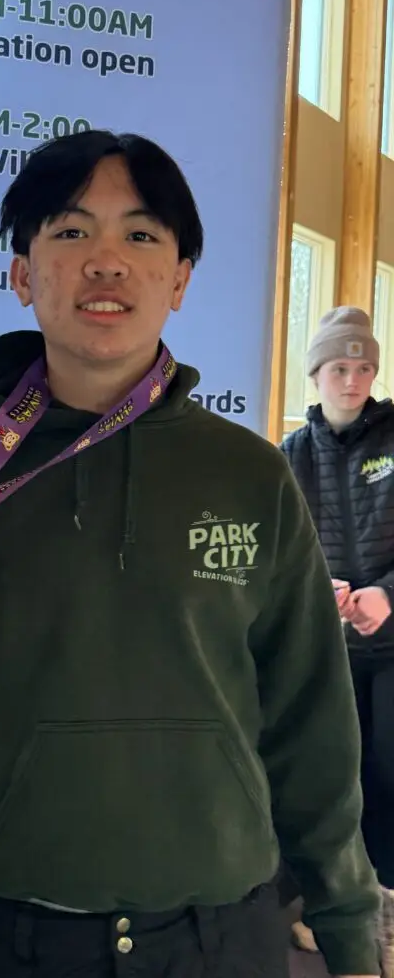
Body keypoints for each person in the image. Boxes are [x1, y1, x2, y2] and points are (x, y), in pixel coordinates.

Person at [0, 130, 380, 978]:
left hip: (220, 935)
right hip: (22, 936)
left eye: (141, 234)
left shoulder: (250, 474)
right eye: (71, 231)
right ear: (23, 274)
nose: (107, 260)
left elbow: (313, 717)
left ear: (180, 280)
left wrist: (349, 934)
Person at [280, 307, 394, 972]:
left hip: (393, 646)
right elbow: (280, 556)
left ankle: (385, 911)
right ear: (316, 374)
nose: (353, 380)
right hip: (328, 651)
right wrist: (316, 590)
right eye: (340, 367)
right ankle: (331, 908)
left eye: (364, 368)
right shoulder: (289, 456)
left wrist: (388, 595)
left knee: (389, 771)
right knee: (333, 778)